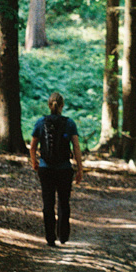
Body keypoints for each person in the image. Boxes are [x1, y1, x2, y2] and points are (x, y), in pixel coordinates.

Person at [29, 92, 84, 247]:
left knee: (48, 203)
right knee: (63, 202)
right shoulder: (70, 123)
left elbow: (32, 147)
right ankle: (63, 235)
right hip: (64, 169)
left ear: (49, 105)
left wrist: (35, 163)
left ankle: (50, 237)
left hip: (45, 169)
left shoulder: (40, 123)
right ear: (62, 106)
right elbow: (77, 148)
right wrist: (80, 169)